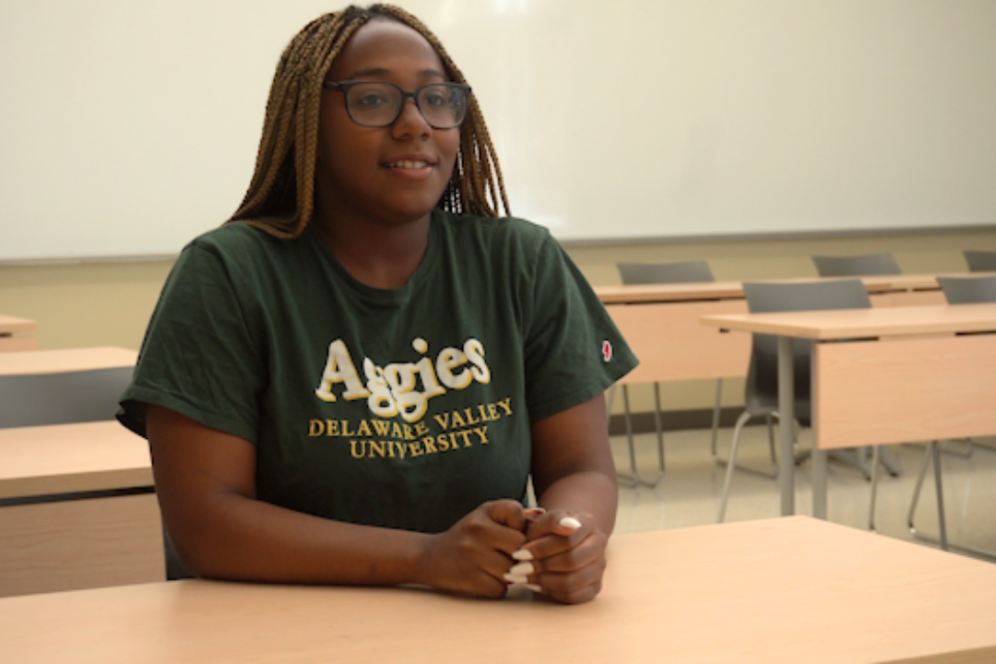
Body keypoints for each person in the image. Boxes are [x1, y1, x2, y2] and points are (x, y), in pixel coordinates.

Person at [118, 3, 637, 605]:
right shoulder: (228, 275)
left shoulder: (521, 262)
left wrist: (569, 534)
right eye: (372, 99)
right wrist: (426, 557)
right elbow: (206, 525)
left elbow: (583, 468)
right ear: (306, 124)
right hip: (275, 629)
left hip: (481, 624)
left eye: (437, 99)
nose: (417, 123)